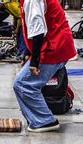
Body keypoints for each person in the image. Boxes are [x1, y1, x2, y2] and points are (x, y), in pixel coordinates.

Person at [12, 0, 76, 132]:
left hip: (53, 47)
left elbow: (38, 30)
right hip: (58, 45)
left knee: (24, 84)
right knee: (24, 83)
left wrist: (34, 61)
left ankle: (45, 121)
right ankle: (39, 120)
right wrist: (28, 52)